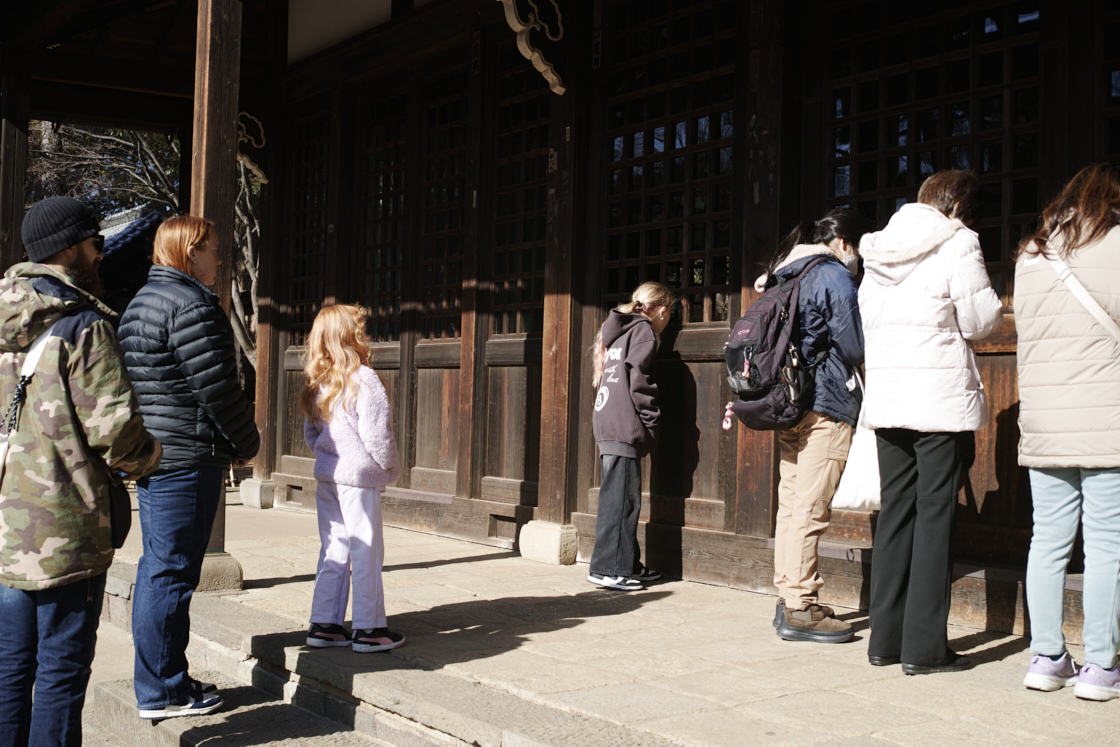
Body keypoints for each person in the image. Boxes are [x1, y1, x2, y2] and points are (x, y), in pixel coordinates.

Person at [0, 197, 163, 746]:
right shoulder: (82, 325)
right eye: (95, 242)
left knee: (9, 666)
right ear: (69, 249)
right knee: (61, 671)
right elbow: (114, 431)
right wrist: (153, 459)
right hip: (66, 526)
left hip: (5, 525)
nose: (101, 253)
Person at [858, 170, 1003, 674]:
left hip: (890, 394)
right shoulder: (959, 240)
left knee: (897, 511)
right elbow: (982, 321)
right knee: (936, 514)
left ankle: (885, 641)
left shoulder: (877, 248)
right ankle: (924, 649)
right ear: (960, 206)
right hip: (938, 397)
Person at [118, 215, 260, 718]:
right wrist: (247, 441)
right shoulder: (191, 306)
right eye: (214, 250)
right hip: (188, 456)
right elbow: (218, 390)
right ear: (189, 250)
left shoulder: (140, 302)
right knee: (172, 574)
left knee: (158, 568)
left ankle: (162, 680)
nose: (220, 260)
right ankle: (162, 691)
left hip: (157, 453)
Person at [1015, 163, 1120, 701]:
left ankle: (1046, 656)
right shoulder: (1117, 243)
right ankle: (1101, 667)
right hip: (1107, 418)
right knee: (1106, 546)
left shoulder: (1032, 255)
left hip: (1045, 420)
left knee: (1048, 541)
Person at [748, 208, 873, 644]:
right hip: (827, 406)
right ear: (843, 243)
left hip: (790, 404)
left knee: (792, 505)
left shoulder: (785, 274)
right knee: (811, 509)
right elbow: (854, 343)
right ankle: (802, 606)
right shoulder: (834, 275)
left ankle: (790, 595)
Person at [301, 304, 404, 652]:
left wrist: (327, 454)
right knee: (366, 550)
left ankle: (325, 623)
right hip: (358, 477)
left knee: (334, 548)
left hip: (329, 474)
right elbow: (377, 435)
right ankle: (370, 628)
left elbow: (311, 434)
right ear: (352, 336)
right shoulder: (364, 379)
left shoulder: (320, 382)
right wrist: (390, 467)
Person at [588, 281, 678, 591]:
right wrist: (650, 422)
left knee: (619, 497)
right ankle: (606, 569)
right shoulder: (643, 331)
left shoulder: (622, 330)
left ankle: (627, 564)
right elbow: (640, 383)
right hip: (624, 424)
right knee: (622, 501)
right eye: (670, 316)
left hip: (608, 419)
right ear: (663, 310)